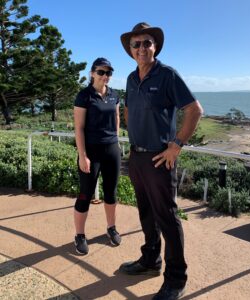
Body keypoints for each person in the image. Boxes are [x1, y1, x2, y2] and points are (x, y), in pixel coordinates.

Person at [119, 23, 203, 299]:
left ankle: (176, 279)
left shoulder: (167, 75)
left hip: (159, 159)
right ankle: (150, 260)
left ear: (155, 46)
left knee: (167, 217)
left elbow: (194, 110)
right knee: (145, 212)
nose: (142, 48)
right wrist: (133, 136)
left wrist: (176, 145)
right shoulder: (131, 79)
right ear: (130, 50)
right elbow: (129, 109)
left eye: (147, 43)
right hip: (137, 156)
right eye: (136, 44)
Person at [73, 57, 121, 255]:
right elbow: (79, 128)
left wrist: (115, 141)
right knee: (85, 194)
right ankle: (80, 235)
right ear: (92, 73)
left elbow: (117, 118)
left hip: (111, 151)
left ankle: (111, 228)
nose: (105, 76)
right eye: (101, 72)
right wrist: (82, 155)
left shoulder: (114, 95)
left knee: (111, 193)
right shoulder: (84, 96)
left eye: (108, 73)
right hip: (91, 152)